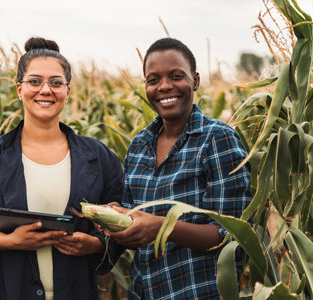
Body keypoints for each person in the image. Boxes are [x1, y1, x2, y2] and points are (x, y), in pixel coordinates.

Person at [0, 37, 124, 300]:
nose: (45, 90)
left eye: (56, 82)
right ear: (19, 89)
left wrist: (95, 244)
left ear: (67, 91)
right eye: (34, 81)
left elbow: (121, 220)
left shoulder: (100, 158)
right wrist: (10, 241)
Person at [108, 38, 252, 299]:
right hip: (143, 292)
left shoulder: (217, 139)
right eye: (153, 80)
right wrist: (113, 217)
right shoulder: (140, 144)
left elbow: (233, 236)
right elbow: (134, 217)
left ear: (195, 81)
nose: (164, 86)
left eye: (176, 76)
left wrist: (163, 227)